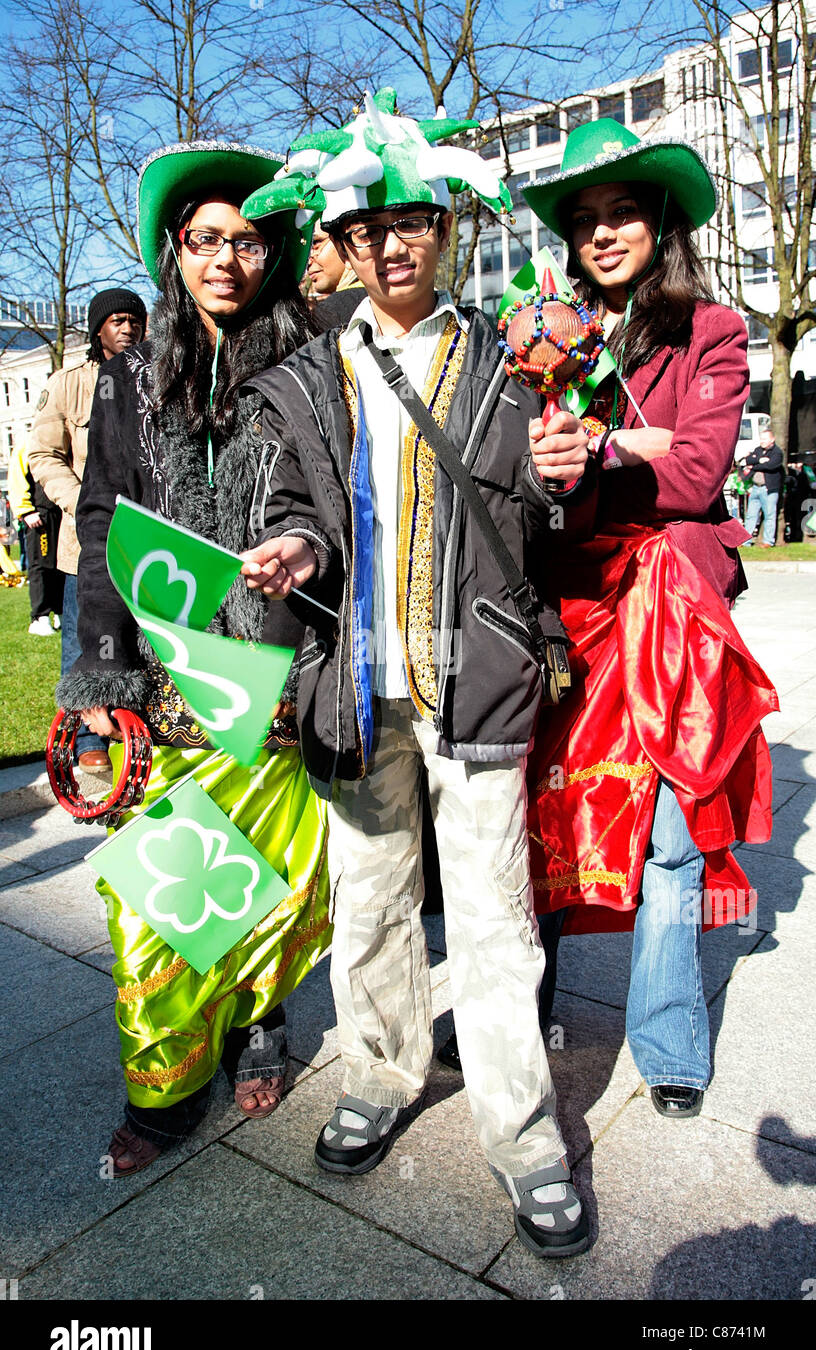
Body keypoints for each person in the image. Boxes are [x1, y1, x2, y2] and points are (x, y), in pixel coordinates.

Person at [239, 89, 591, 1259]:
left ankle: (526, 1136)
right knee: (371, 901)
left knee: (493, 918)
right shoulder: (312, 376)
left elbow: (540, 512)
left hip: (476, 670)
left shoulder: (508, 364)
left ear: (448, 229)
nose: (390, 242)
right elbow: (300, 508)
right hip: (354, 677)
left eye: (413, 219)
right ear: (339, 244)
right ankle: (384, 1073)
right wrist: (293, 545)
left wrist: (558, 468)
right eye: (366, 227)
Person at [56, 141, 332, 1175]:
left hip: (274, 677)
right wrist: (97, 677)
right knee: (157, 899)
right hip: (170, 689)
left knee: (267, 882)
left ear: (271, 252)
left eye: (247, 240)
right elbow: (99, 524)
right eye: (206, 239)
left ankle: (260, 1027)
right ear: (174, 250)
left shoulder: (312, 364)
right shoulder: (125, 378)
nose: (226, 259)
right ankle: (163, 1085)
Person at [517, 117, 777, 1120]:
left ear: (659, 220)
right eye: (584, 221)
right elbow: (544, 486)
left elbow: (700, 471)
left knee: (670, 831)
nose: (601, 233)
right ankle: (519, 1013)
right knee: (548, 812)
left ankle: (669, 1039)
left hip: (668, 606)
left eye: (621, 212)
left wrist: (604, 442)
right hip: (570, 603)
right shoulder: (544, 332)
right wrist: (614, 448)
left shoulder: (710, 328)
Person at [28, 288, 147, 772]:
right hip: (87, 544)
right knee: (85, 640)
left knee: (139, 641)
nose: (128, 328)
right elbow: (41, 453)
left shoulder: (159, 375)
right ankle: (85, 740)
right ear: (97, 329)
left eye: (135, 320)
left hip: (147, 542)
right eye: (117, 320)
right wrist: (84, 503)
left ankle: (139, 724)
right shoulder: (68, 384)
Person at [6, 440, 63, 634]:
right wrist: (25, 510)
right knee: (41, 565)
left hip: (57, 512)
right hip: (39, 515)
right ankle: (39, 617)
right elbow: (16, 478)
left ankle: (60, 612)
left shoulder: (55, 441)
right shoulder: (27, 444)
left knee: (60, 565)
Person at [740, 428, 785, 547]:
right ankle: (746, 541)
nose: (762, 441)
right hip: (755, 487)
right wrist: (760, 460)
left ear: (772, 439)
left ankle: (768, 541)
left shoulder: (777, 452)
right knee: (750, 515)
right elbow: (749, 459)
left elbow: (771, 466)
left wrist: (754, 466)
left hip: (768, 489)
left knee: (769, 514)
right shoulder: (758, 450)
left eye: (765, 439)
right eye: (761, 439)